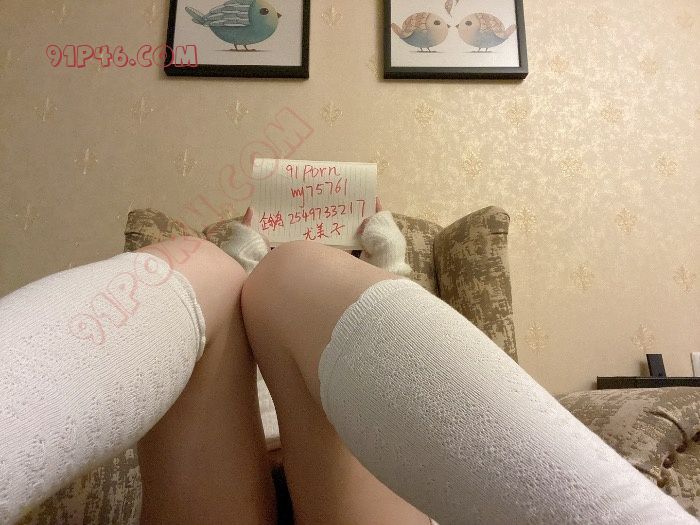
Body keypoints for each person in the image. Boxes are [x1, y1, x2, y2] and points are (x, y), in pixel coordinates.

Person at [0, 200, 695, 525]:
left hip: (284, 441)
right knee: (294, 276)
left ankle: (238, 279)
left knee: (202, 269)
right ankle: (301, 278)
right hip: (332, 444)